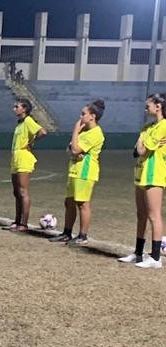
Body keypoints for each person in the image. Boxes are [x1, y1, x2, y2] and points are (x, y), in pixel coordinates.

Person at [119, 93, 166, 269]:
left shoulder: (163, 126)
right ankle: (138, 253)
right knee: (141, 215)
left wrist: (141, 141)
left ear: (158, 106)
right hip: (141, 173)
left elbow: (142, 150)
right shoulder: (148, 126)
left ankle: (155, 258)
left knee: (154, 215)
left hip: (154, 174)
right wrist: (141, 142)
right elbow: (136, 150)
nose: (145, 108)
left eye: (148, 105)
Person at [55, 100, 105, 245]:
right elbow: (69, 149)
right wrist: (75, 149)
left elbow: (75, 149)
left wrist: (75, 133)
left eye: (83, 114)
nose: (80, 116)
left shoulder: (96, 133)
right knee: (69, 202)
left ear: (92, 116)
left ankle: (82, 236)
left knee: (82, 203)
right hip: (74, 169)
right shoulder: (85, 131)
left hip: (85, 172)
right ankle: (67, 233)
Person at [7, 97, 45, 232]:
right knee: (16, 191)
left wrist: (31, 143)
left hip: (24, 158)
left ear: (25, 109)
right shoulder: (20, 123)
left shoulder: (29, 121)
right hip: (16, 157)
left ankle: (24, 223)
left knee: (23, 191)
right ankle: (17, 221)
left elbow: (42, 132)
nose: (14, 109)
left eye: (17, 106)